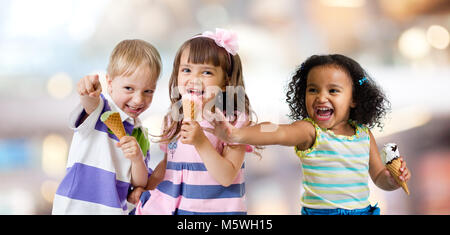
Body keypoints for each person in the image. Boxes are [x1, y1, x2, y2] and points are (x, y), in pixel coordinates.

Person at [208, 54, 411, 215]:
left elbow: (378, 177)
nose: (321, 97)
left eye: (333, 91)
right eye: (313, 89)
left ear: (354, 99)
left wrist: (392, 180)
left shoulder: (364, 135)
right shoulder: (310, 131)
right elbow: (276, 131)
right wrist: (237, 134)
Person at [129, 28, 255, 215]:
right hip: (174, 208)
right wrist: (147, 189)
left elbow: (227, 176)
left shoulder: (234, 120)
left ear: (225, 80)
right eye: (186, 70)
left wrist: (201, 142)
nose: (194, 79)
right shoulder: (173, 118)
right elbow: (166, 166)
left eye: (206, 73)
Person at [52, 39, 162, 215]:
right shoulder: (100, 110)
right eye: (129, 88)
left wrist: (137, 159)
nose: (139, 99)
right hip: (76, 208)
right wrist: (88, 91)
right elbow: (89, 102)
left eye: (148, 91)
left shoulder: (140, 133)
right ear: (109, 84)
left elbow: (139, 182)